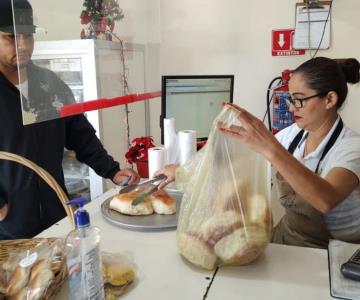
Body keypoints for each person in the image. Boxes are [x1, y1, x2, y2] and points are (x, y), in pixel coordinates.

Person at [156, 57, 360, 248]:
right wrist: (184, 171)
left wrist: (270, 148)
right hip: (288, 237)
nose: (291, 108)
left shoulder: (351, 147)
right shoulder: (293, 135)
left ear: (330, 99)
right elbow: (238, 162)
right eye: (291, 99)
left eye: (299, 100)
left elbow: (325, 200)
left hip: (334, 251)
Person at [0, 0, 140, 239]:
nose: (23, 45)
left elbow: (80, 134)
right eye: (11, 37)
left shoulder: (50, 84)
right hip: (9, 225)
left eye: (28, 36)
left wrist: (113, 171)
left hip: (57, 215)